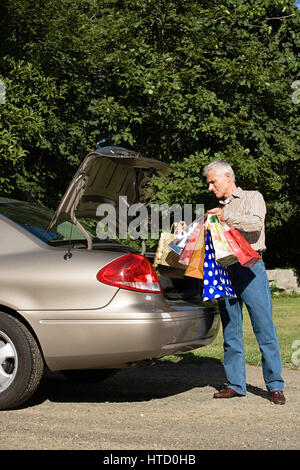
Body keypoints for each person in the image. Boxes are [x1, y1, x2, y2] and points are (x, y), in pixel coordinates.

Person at [203, 160, 285, 405]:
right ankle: (236, 385)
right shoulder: (217, 209)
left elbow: (255, 224)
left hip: (251, 269)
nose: (210, 187)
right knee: (231, 329)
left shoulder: (252, 197)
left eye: (212, 181)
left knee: (264, 328)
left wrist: (226, 217)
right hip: (224, 270)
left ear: (227, 176)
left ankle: (275, 386)